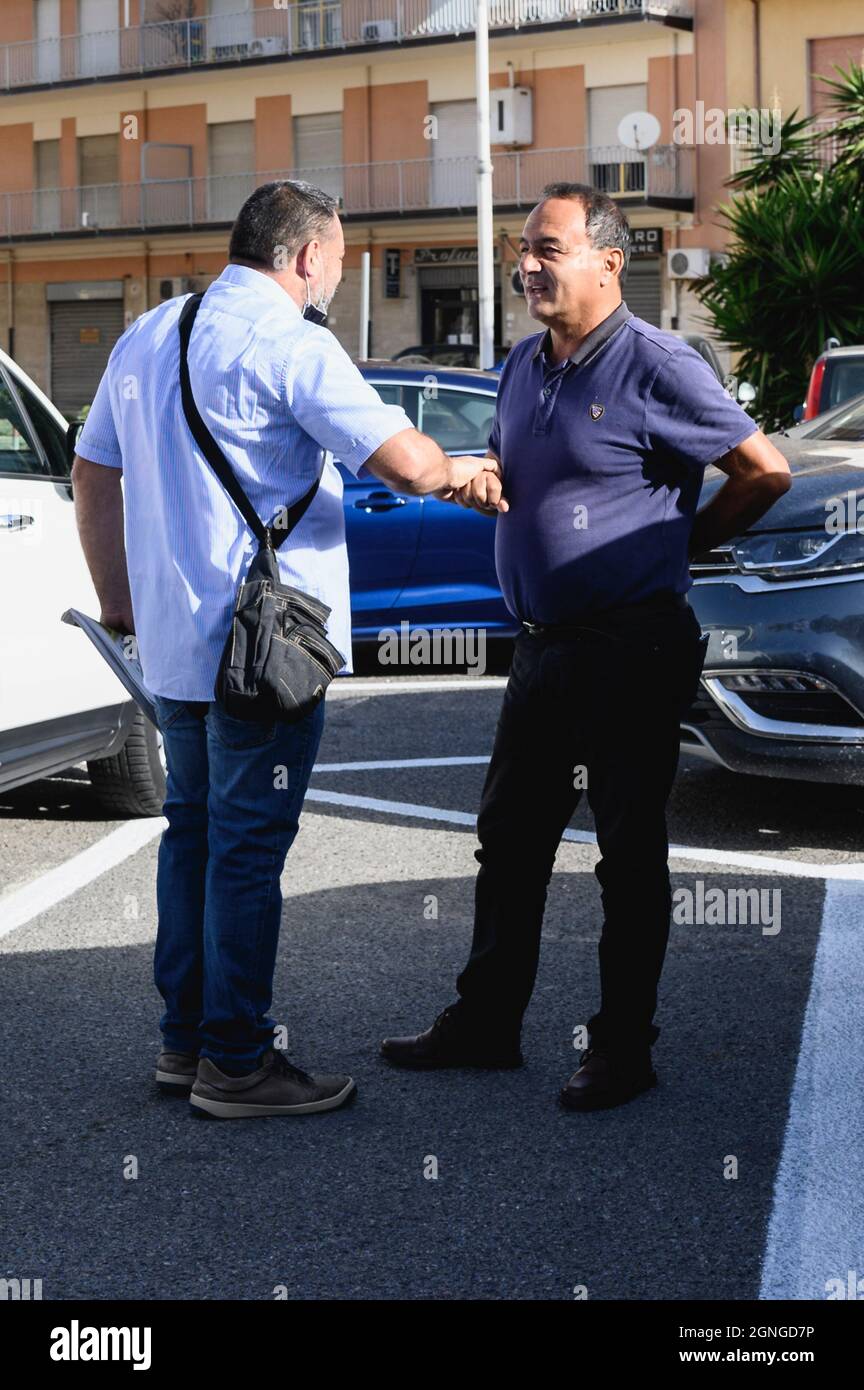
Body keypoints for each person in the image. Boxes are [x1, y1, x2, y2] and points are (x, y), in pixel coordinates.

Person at [72, 179, 493, 1120]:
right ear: (304, 257)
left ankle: (184, 1044)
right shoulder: (294, 342)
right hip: (264, 653)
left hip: (176, 646)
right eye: (338, 258)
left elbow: (93, 467)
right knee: (249, 853)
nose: (337, 275)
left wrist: (119, 599)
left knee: (194, 837)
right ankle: (237, 1064)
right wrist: (467, 471)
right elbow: (405, 461)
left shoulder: (152, 333)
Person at [380, 183, 792, 1111]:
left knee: (628, 853)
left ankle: (622, 1049)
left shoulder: (659, 363)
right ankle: (486, 1024)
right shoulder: (524, 364)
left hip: (631, 646)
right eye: (523, 249)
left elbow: (765, 471)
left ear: (610, 262)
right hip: (542, 648)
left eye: (548, 249)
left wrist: (676, 543)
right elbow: (536, 475)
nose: (527, 265)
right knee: (510, 843)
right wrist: (482, 484)